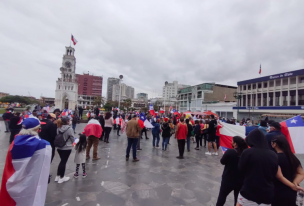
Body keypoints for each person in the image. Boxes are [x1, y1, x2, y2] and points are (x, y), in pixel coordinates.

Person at [237, 129, 302, 206]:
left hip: (249, 191)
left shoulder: (247, 152)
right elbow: (276, 172)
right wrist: (294, 184)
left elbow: (241, 169)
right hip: (267, 194)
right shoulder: (273, 155)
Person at [0, 118, 52, 206]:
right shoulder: (43, 145)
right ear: (37, 129)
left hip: (16, 181)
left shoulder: (15, 142)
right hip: (32, 183)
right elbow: (43, 165)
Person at [271, 135, 304, 206]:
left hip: (277, 192)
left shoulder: (274, 158)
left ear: (275, 144)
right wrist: (295, 183)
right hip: (292, 193)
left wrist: (292, 186)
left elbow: (279, 176)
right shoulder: (292, 157)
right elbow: (301, 173)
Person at [216, 136, 248, 206]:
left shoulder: (230, 152)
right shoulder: (245, 153)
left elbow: (222, 161)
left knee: (222, 196)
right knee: (237, 199)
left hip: (228, 179)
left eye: (232, 141)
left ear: (235, 143)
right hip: (240, 180)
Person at [55, 117, 75, 184]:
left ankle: (57, 176)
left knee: (61, 161)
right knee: (63, 162)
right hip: (67, 147)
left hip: (59, 147)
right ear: (67, 121)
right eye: (69, 120)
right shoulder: (69, 129)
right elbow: (72, 138)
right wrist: (74, 143)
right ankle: (62, 177)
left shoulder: (58, 127)